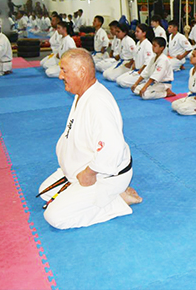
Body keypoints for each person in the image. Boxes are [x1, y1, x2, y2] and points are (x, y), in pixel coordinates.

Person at [37, 49, 141, 230]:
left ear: (82, 72)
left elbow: (112, 147)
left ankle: (117, 200)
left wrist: (90, 172)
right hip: (79, 169)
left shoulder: (97, 103)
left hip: (102, 176)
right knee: (45, 192)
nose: (60, 76)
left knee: (55, 217)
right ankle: (97, 196)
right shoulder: (82, 94)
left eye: (64, 71)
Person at [116, 24, 154, 89]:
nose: (135, 33)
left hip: (143, 72)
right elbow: (135, 57)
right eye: (135, 31)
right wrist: (133, 65)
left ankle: (143, 81)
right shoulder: (138, 43)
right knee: (118, 80)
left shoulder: (147, 44)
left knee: (122, 82)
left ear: (144, 33)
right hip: (136, 70)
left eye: (138, 31)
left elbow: (148, 62)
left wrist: (140, 72)